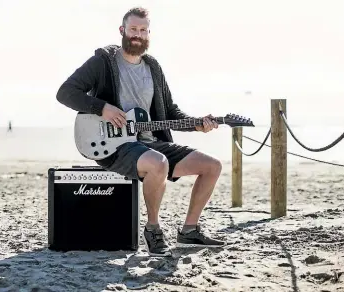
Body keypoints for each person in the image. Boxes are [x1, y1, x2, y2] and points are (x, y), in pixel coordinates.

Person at [56, 7, 225, 257]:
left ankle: (189, 232)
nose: (138, 34)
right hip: (115, 146)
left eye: (143, 30)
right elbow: (65, 92)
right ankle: (153, 230)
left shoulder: (153, 67)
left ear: (149, 34)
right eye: (133, 29)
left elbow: (169, 112)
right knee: (159, 163)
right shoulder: (103, 62)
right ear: (122, 31)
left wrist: (197, 124)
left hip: (150, 142)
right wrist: (102, 108)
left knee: (212, 166)